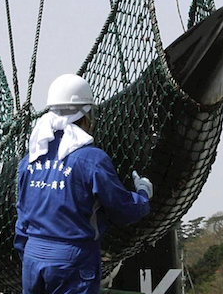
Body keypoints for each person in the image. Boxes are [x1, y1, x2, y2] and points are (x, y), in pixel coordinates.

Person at [15, 74, 153, 294]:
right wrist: (143, 194)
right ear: (86, 116)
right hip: (72, 259)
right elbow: (124, 209)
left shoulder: (30, 159)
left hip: (33, 257)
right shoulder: (92, 160)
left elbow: (22, 214)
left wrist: (32, 253)